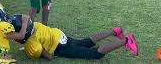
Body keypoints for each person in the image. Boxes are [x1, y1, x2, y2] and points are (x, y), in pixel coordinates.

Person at [9, 14, 138, 61]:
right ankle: (115, 31)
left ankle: (126, 40)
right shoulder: (35, 24)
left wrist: (31, 51)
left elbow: (49, 57)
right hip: (60, 35)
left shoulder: (31, 44)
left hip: (59, 47)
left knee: (94, 54)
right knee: (85, 42)